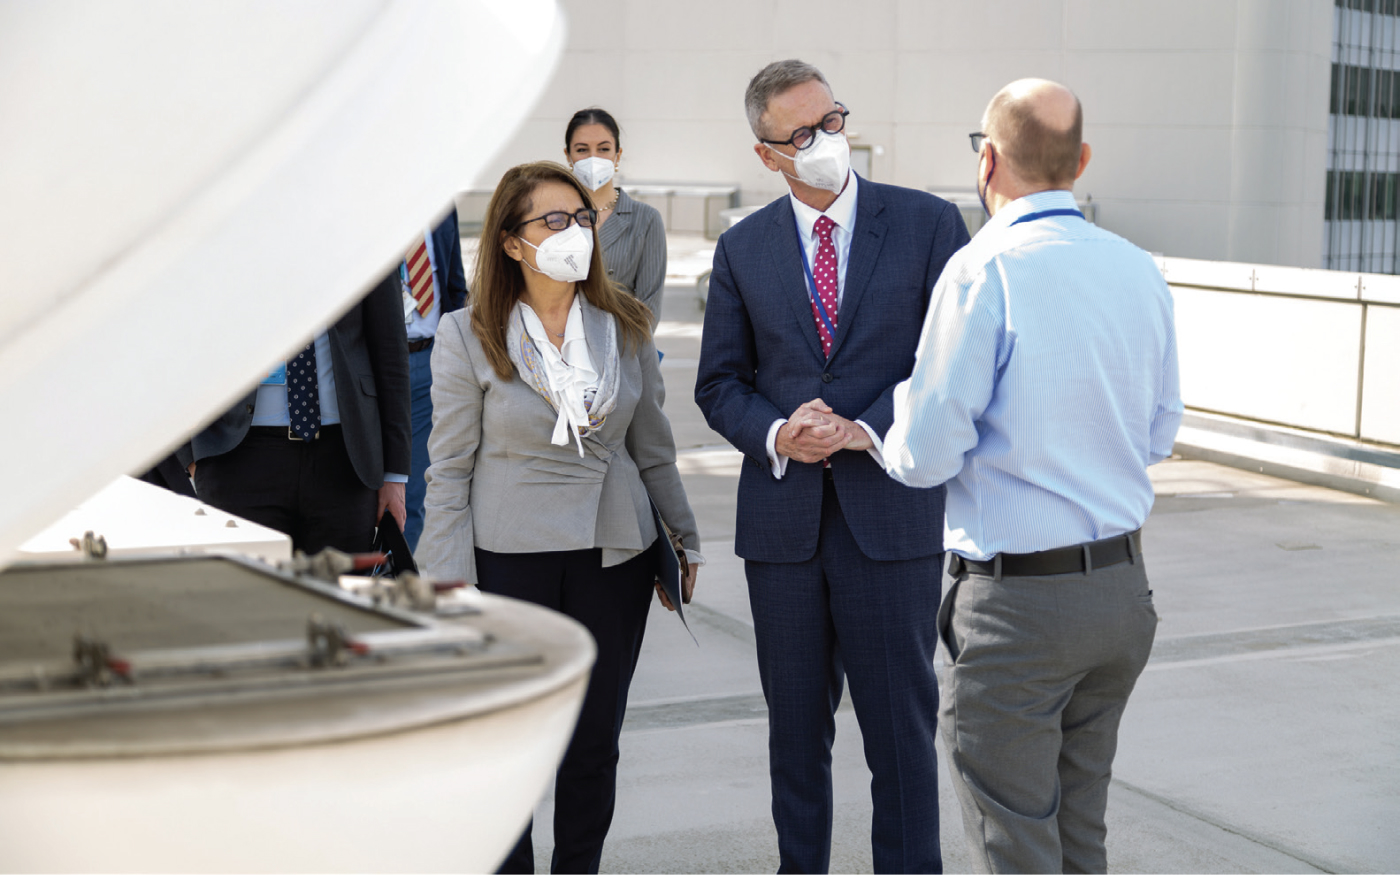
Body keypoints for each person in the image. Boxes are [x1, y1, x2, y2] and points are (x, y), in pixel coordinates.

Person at [881, 79, 1183, 874]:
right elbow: (1159, 433)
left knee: (1014, 842)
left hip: (1018, 612)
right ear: (1080, 160)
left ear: (987, 161)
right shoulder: (1138, 268)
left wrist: (902, 402)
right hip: (1121, 594)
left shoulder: (983, 269)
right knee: (1079, 834)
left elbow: (922, 456)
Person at [693, 59, 969, 874]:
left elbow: (948, 364)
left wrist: (866, 429)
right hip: (784, 537)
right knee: (794, 740)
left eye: (835, 121)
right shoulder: (742, 248)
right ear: (766, 153)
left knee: (900, 737)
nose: (827, 143)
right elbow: (719, 382)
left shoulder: (927, 225)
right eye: (803, 135)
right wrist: (779, 431)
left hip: (890, 522)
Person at [416, 161, 701, 875]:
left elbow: (654, 446)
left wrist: (683, 535)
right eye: (554, 219)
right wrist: (443, 578)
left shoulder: (624, 325)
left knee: (592, 742)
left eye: (581, 219)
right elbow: (448, 469)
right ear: (511, 241)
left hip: (615, 553)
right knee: (508, 742)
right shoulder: (466, 332)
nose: (574, 232)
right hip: (507, 557)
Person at [179, 274, 411, 554]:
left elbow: (390, 348)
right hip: (235, 458)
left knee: (338, 594)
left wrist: (395, 475)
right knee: (243, 595)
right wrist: (189, 454)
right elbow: (178, 326)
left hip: (345, 459)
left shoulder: (362, 229)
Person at [400, 205, 469, 552]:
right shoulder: (364, 204)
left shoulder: (441, 204)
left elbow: (455, 285)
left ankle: (390, 579)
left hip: (429, 360)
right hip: (371, 366)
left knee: (413, 492)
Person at [564, 107, 667, 328]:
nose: (593, 158)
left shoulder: (645, 220)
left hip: (621, 348)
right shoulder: (554, 216)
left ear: (617, 155)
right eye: (582, 149)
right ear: (568, 156)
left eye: (603, 149)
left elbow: (649, 309)